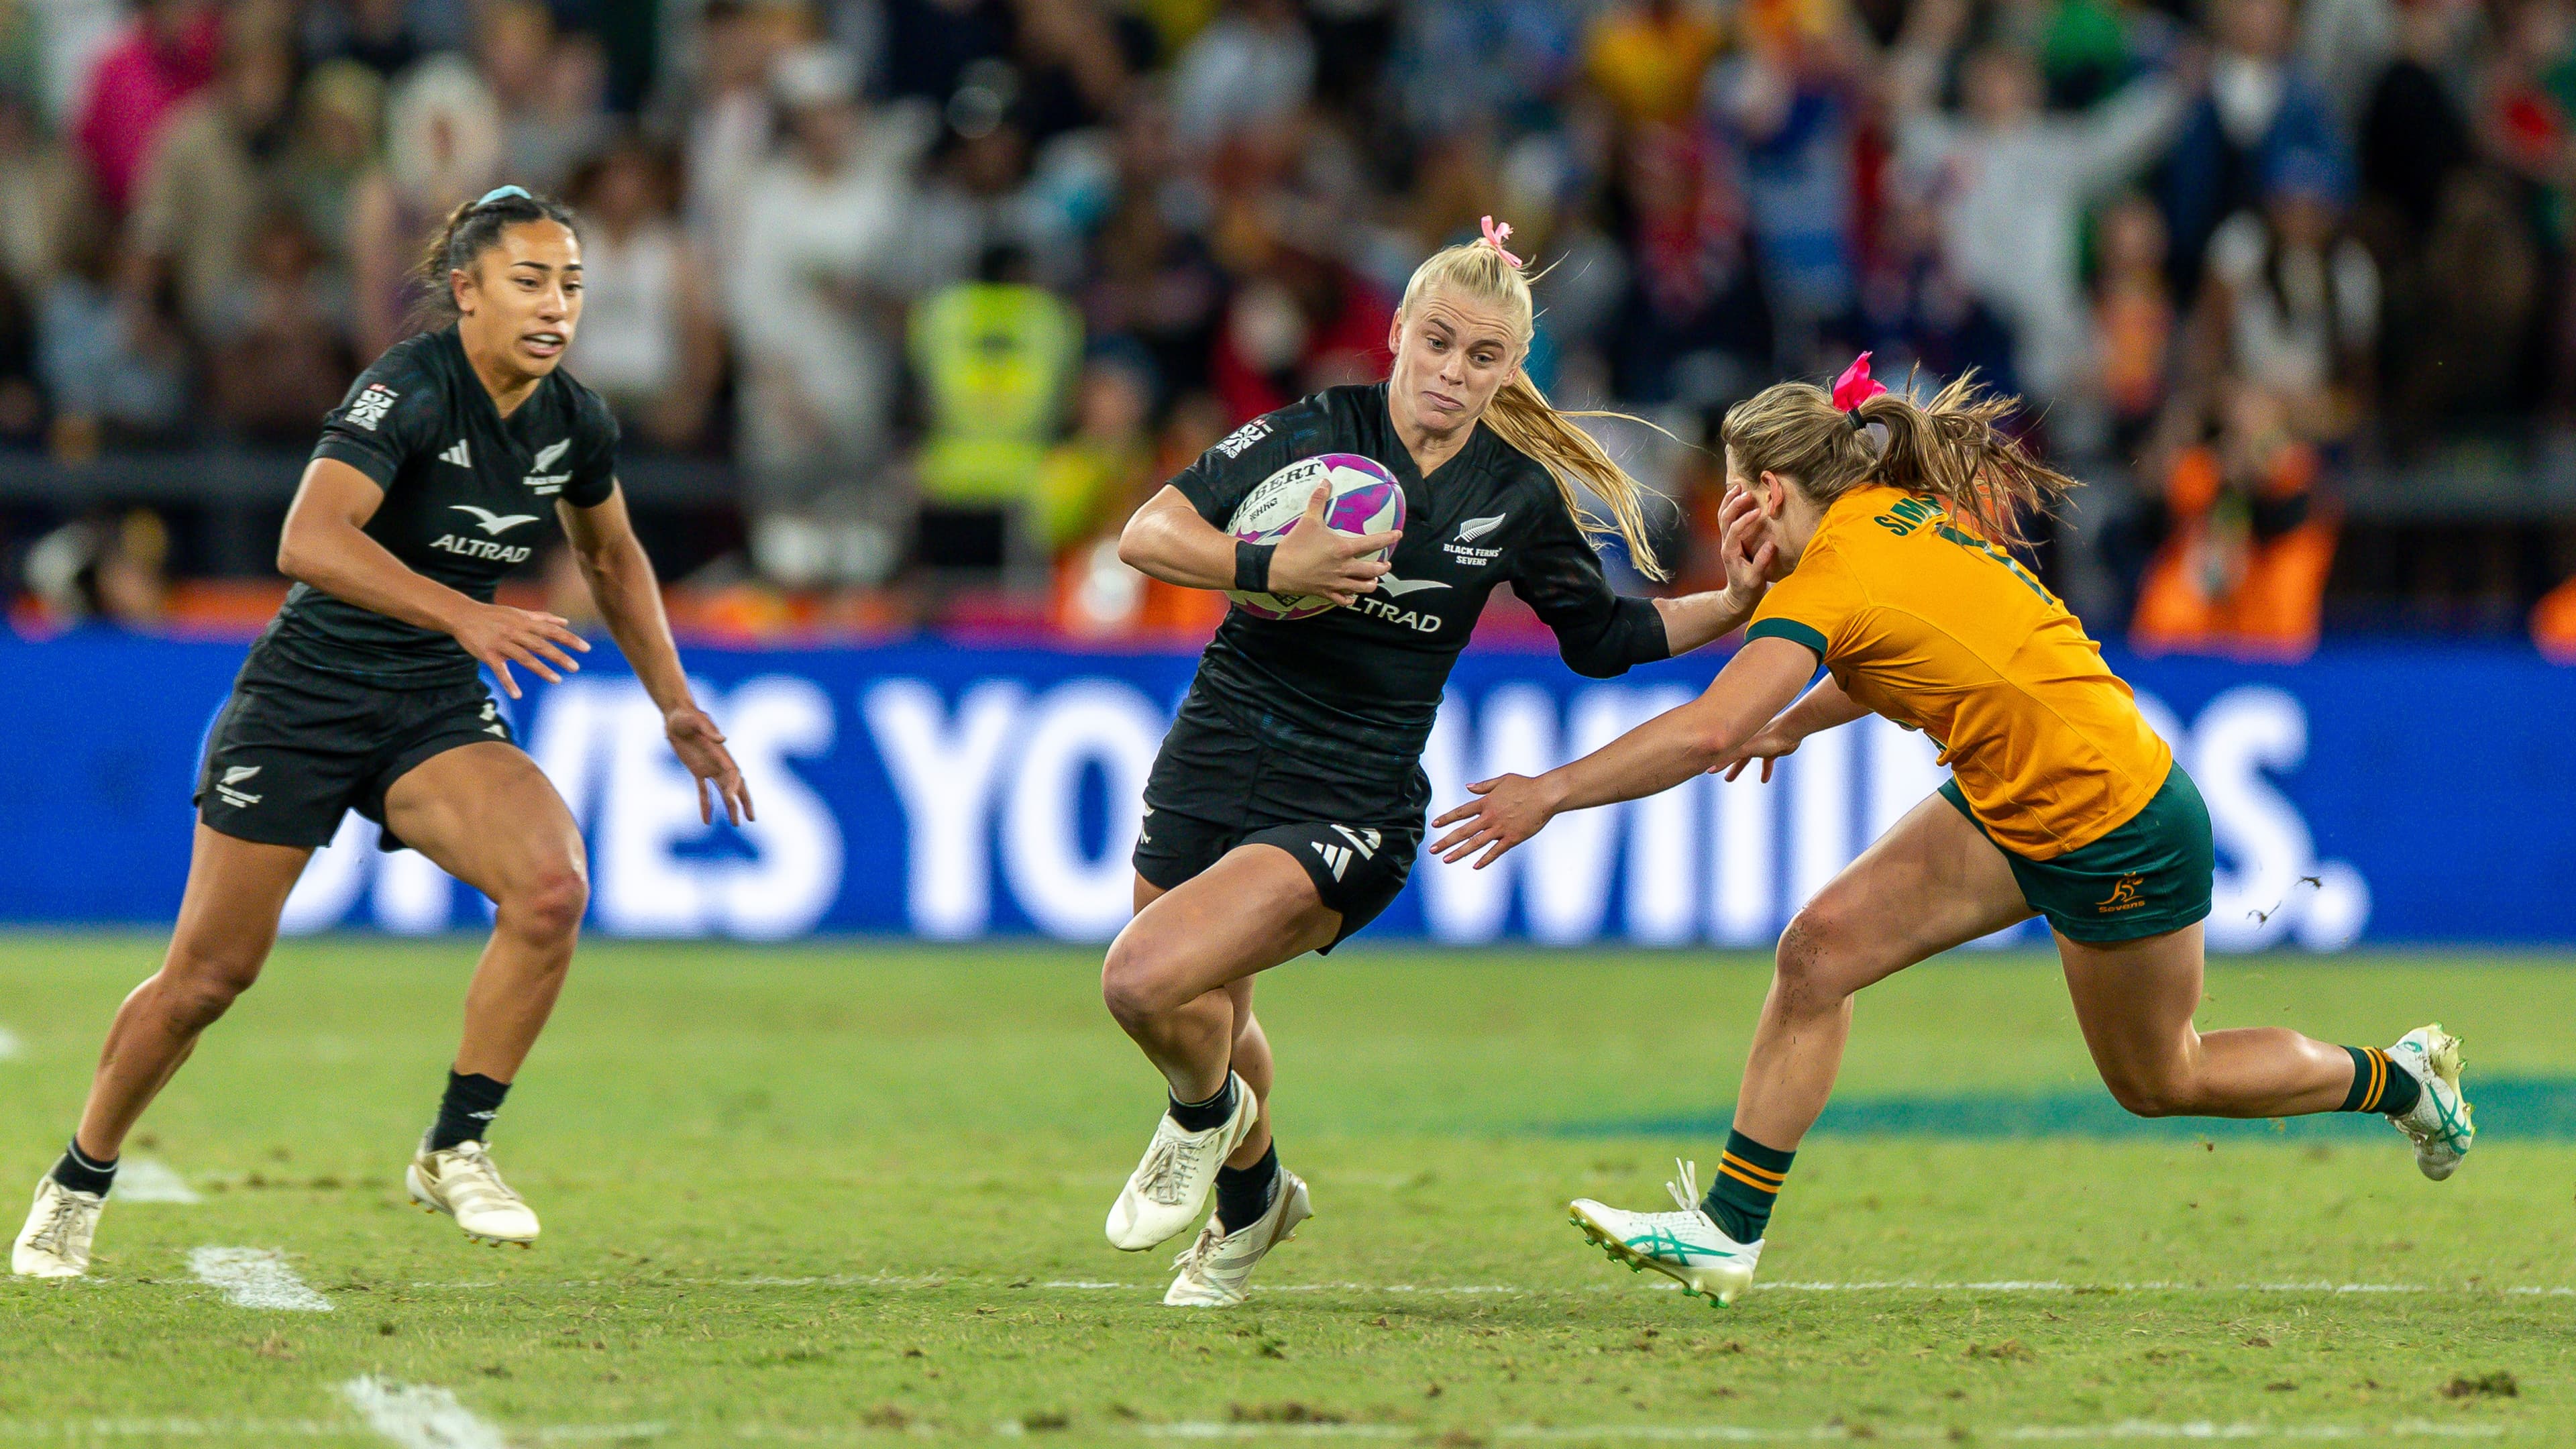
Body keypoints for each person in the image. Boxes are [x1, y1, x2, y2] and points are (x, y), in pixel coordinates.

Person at [1429, 356, 2475, 1307]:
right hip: (2020, 792)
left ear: (1775, 490)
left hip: (2115, 821)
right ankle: (1726, 1234)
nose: (1731, 516)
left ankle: (2399, 1079)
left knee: (2164, 1079)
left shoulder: (1839, 564)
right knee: (1818, 953)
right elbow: (1908, 646)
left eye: (1740, 494)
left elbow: (1708, 729)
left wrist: (1548, 793)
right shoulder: (1890, 519)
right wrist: (1793, 717)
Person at [12, 186, 753, 1280]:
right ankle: (79, 1178)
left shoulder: (572, 421)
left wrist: (675, 702)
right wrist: (466, 611)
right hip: (307, 696)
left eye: (573, 285)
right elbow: (308, 539)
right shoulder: (406, 387)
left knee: (551, 887)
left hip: (433, 705)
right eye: (530, 281)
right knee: (208, 980)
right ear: (465, 291)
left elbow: (611, 557)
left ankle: (456, 1145)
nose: (557, 306)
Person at [1100, 219, 1769, 1307]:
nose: (1455, 374)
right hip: (1217, 745)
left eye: (1485, 357)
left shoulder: (1514, 496)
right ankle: (1250, 1204)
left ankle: (1200, 1119)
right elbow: (1147, 533)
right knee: (1209, 1009)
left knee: (1142, 981)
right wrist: (1273, 561)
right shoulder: (1318, 432)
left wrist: (1734, 607)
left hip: (1353, 798)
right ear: (1399, 333)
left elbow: (1604, 640)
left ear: (1513, 371)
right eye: (1440, 344)